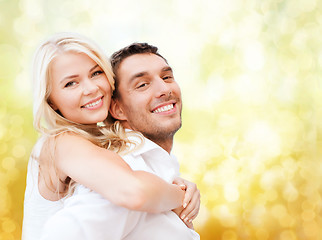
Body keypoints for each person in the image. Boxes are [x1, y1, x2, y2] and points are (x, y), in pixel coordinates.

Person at [22, 33, 199, 240]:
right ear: (51, 100)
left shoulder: (104, 147)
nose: (91, 89)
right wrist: (181, 195)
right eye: (71, 83)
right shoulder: (60, 142)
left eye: (96, 73)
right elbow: (134, 191)